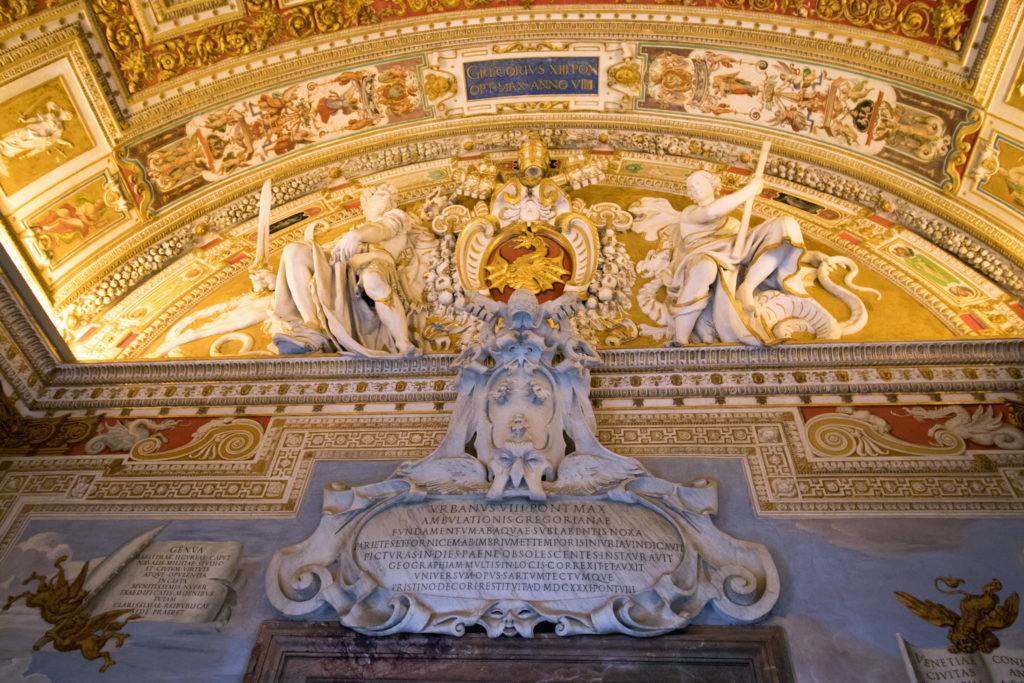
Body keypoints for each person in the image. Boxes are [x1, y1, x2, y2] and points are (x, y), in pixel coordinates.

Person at [632, 169, 805, 345]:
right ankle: (681, 337)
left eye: (699, 183)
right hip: (701, 255)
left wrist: (815, 258)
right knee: (705, 267)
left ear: (713, 185)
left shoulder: (733, 225)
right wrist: (749, 190)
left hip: (733, 254)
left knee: (785, 225)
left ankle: (747, 287)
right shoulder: (690, 213)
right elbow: (711, 212)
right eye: (691, 187)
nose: (695, 189)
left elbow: (750, 242)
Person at [271, 183, 418, 356]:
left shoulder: (395, 218)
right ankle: (313, 328)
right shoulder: (352, 233)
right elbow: (331, 256)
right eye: (373, 199)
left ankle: (403, 342)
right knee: (294, 251)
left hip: (378, 265)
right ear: (364, 206)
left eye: (384, 197)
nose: (379, 202)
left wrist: (357, 236)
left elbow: (382, 229)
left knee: (373, 280)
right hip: (345, 271)